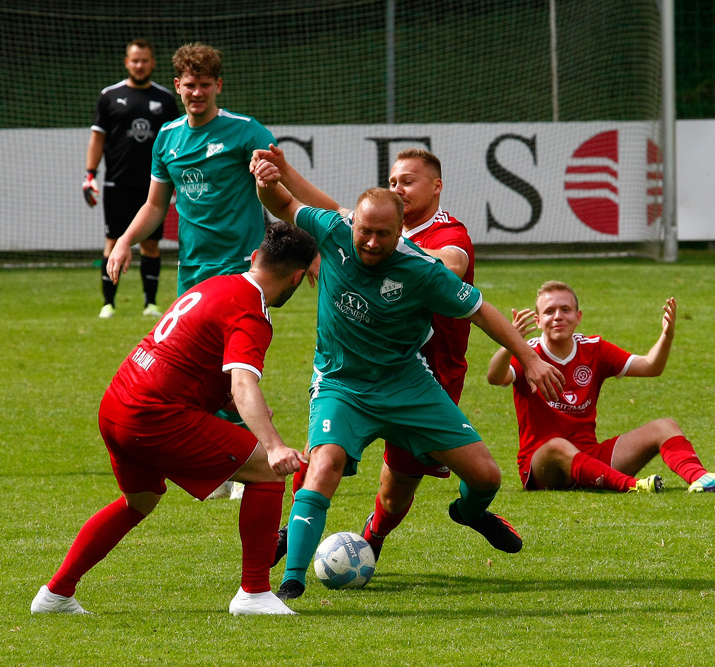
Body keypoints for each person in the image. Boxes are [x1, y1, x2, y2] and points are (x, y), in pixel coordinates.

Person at [253, 164, 566, 603]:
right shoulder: (332, 228)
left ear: (403, 230)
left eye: (384, 234)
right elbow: (285, 204)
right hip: (342, 384)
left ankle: (467, 511)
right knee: (323, 466)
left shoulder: (421, 268)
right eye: (365, 231)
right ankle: (293, 581)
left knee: (486, 478)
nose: (372, 242)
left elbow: (480, 310)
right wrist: (266, 183)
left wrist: (529, 358)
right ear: (353, 222)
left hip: (407, 385)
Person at [31, 222, 317, 616]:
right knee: (266, 472)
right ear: (298, 277)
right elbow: (242, 383)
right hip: (154, 414)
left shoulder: (216, 284)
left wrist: (239, 406)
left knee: (139, 501)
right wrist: (273, 446)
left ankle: (55, 594)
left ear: (254, 257)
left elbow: (198, 363)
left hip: (116, 403)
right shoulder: (252, 312)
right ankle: (253, 593)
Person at [253, 146, 475, 562]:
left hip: (427, 374)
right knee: (323, 451)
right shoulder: (378, 227)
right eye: (393, 182)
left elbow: (452, 267)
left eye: (408, 181)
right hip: (359, 369)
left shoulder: (447, 233)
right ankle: (294, 533)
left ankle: (373, 538)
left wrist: (398, 258)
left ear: (436, 186)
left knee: (398, 486)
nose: (399, 188)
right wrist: (285, 172)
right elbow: (330, 212)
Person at [487, 281, 715, 494]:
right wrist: (509, 342)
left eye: (565, 310)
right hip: (542, 467)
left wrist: (666, 337)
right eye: (549, 311)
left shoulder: (593, 348)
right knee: (557, 445)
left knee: (664, 426)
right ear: (538, 319)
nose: (558, 317)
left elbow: (651, 367)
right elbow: (495, 377)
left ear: (578, 317)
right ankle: (632, 486)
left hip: (590, 457)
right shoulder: (527, 353)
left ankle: (701, 479)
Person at [106, 42, 277, 297]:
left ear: (218, 85)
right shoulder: (166, 137)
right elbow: (154, 205)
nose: (197, 93)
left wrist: (308, 248)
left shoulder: (248, 131)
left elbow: (281, 192)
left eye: (205, 85)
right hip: (190, 268)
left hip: (241, 266)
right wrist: (125, 240)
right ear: (177, 86)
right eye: (190, 85)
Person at [84, 39, 179, 319]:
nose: (140, 65)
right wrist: (90, 175)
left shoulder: (165, 99)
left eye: (145, 60)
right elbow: (97, 138)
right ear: (127, 63)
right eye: (135, 60)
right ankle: (108, 303)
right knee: (113, 240)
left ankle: (150, 304)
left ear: (153, 63)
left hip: (154, 186)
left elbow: (176, 139)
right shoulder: (110, 96)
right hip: (117, 183)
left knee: (150, 244)